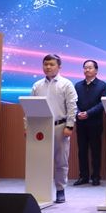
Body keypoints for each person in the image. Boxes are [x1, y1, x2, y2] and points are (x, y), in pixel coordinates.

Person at [31, 54, 78, 203]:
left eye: (51, 64)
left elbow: (72, 107)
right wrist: (27, 126)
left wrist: (69, 126)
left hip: (60, 127)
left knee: (61, 161)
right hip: (40, 128)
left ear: (59, 66)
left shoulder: (66, 84)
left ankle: (60, 190)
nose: (48, 67)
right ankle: (41, 189)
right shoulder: (37, 85)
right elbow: (30, 107)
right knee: (40, 159)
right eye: (45, 64)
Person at [73, 59, 106, 187]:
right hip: (81, 122)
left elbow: (102, 103)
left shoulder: (102, 85)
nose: (87, 70)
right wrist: (78, 112)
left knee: (95, 150)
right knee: (82, 150)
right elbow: (73, 102)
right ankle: (83, 176)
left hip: (95, 122)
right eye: (85, 67)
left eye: (90, 67)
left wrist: (88, 113)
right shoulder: (77, 85)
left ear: (96, 70)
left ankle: (96, 176)